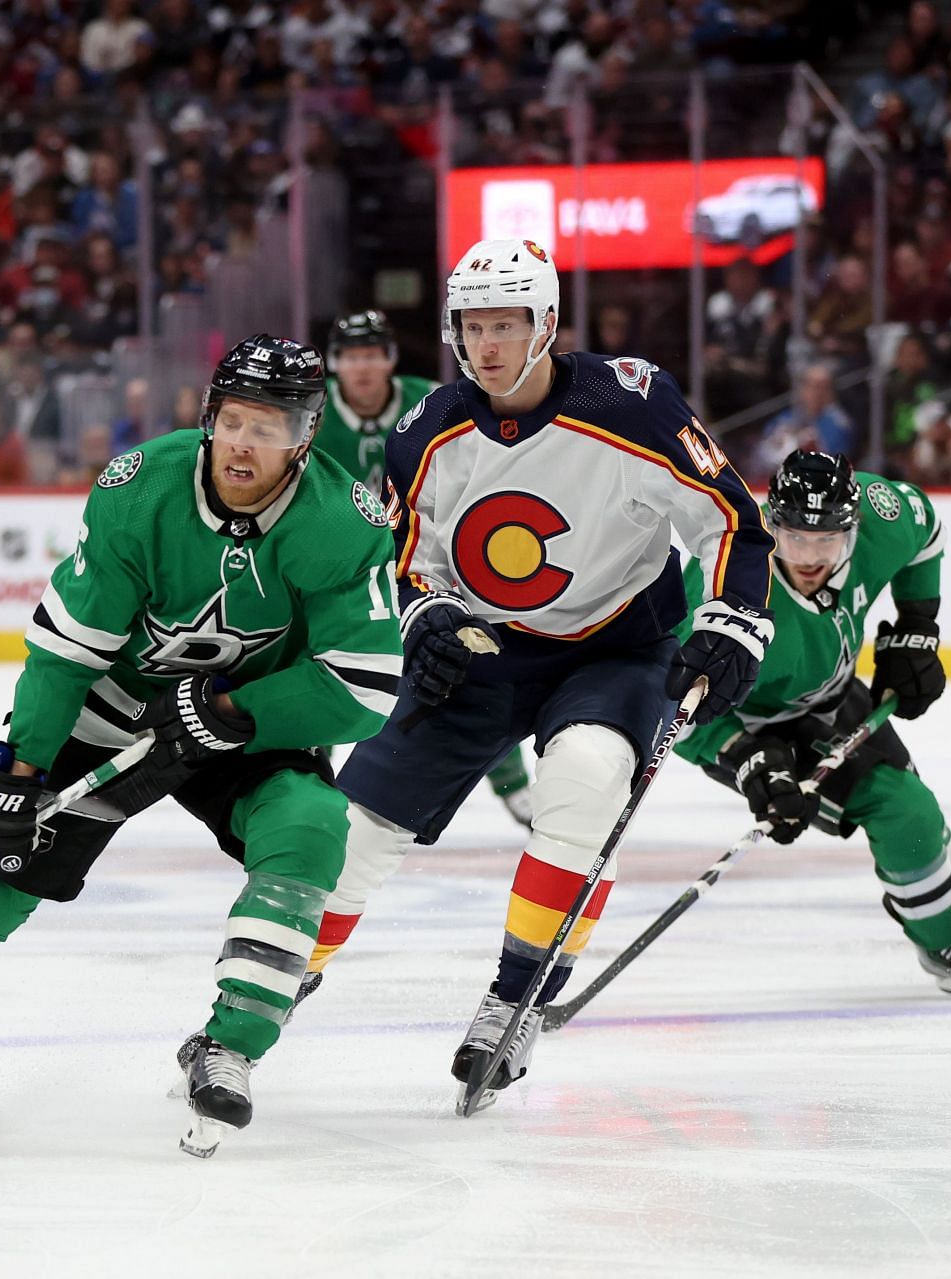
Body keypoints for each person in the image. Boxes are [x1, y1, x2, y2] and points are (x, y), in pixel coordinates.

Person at [0, 335, 403, 1157]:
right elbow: (67, 651)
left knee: (310, 828)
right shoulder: (142, 491)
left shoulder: (341, 523)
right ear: (209, 418)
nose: (244, 443)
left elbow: (364, 686)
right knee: (6, 863)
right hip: (120, 709)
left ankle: (229, 1045)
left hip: (250, 723)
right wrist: (21, 770)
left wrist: (231, 707)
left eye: (268, 428)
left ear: (305, 437)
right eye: (232, 420)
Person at [307, 238, 775, 1104]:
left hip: (617, 646)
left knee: (585, 782)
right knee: (357, 824)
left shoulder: (631, 402)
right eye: (472, 326)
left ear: (547, 323)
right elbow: (408, 559)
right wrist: (433, 617)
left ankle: (517, 992)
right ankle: (281, 972)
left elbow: (731, 519)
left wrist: (730, 620)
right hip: (486, 648)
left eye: (507, 323)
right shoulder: (426, 431)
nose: (487, 345)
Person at [674, 451, 951, 996]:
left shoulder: (880, 517)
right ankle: (946, 942)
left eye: (827, 541)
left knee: (913, 802)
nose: (810, 557)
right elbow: (677, 712)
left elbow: (926, 529)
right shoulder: (724, 585)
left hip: (833, 692)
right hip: (758, 725)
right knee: (898, 804)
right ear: (772, 525)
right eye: (795, 539)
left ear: (852, 529)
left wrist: (916, 627)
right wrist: (749, 762)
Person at [318, 308, 535, 828]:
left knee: (469, 660)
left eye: (372, 354)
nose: (363, 367)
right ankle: (307, 778)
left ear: (390, 359)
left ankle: (514, 785)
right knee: (319, 662)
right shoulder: (313, 410)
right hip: (340, 570)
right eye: (351, 356)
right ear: (335, 363)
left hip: (426, 563)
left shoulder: (432, 401)